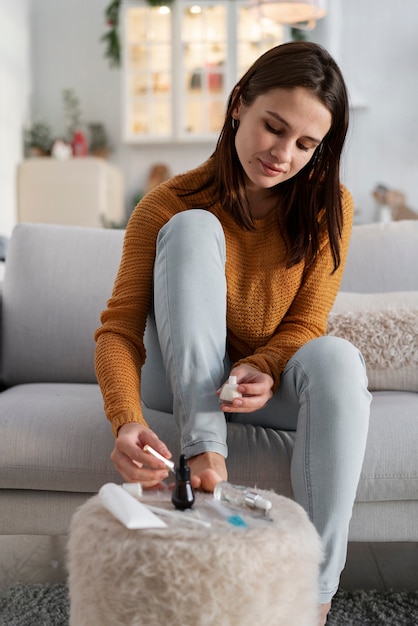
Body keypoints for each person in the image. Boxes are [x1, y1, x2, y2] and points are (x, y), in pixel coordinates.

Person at [95, 42, 371, 625]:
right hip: (186, 382)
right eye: (274, 127)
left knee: (339, 358)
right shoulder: (166, 204)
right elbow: (119, 329)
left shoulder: (330, 206)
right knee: (193, 227)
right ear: (239, 104)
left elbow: (304, 324)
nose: (283, 154)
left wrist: (267, 367)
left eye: (306, 144)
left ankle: (312, 598)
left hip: (268, 390)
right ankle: (206, 458)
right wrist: (125, 418)